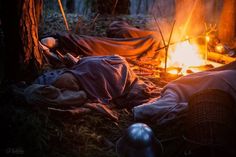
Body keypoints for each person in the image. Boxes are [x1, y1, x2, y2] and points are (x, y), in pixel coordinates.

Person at [133, 60, 236, 124]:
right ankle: (154, 106)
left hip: (224, 84)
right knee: (183, 84)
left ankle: (151, 109)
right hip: (222, 78)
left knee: (195, 88)